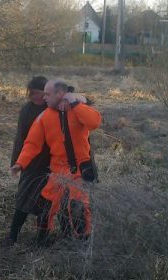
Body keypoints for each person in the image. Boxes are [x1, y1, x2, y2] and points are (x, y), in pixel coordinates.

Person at [11, 78, 101, 244]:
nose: (44, 98)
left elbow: (94, 122)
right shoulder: (44, 117)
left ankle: (82, 244)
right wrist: (20, 163)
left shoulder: (78, 109)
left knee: (78, 208)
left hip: (78, 171)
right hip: (57, 171)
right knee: (46, 208)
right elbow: (32, 143)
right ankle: (42, 241)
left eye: (47, 94)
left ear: (60, 94)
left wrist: (75, 102)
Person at [2, 76, 50, 248]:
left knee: (46, 203)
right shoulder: (26, 111)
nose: (34, 96)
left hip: (51, 162)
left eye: (38, 93)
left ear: (46, 92)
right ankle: (12, 237)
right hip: (30, 161)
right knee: (23, 199)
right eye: (32, 93)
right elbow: (20, 138)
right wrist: (16, 162)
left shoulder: (54, 108)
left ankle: (41, 240)